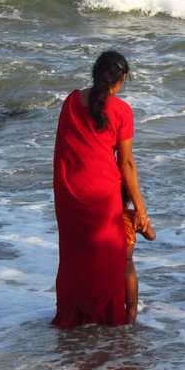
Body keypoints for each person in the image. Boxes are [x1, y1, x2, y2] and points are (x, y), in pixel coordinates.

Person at [52, 51, 151, 328]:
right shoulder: (121, 111)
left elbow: (63, 152)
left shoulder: (71, 102)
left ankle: (73, 319)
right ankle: (110, 321)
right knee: (109, 257)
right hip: (104, 195)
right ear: (121, 80)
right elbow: (127, 164)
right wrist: (141, 210)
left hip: (70, 194)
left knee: (75, 257)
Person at [121, 189, 156, 323]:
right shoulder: (131, 216)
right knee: (131, 306)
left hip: (106, 267)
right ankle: (128, 333)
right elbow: (152, 236)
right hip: (127, 270)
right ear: (129, 199)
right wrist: (143, 219)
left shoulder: (104, 216)